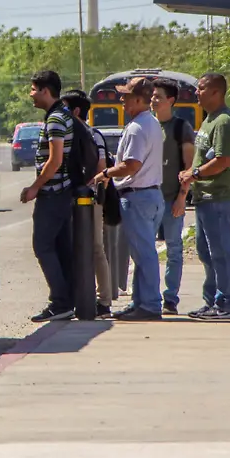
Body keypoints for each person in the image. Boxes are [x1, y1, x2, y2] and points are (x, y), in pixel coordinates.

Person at [92, 76, 165, 321]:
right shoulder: (151, 122)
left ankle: (151, 305)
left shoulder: (136, 127)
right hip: (151, 194)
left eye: (125, 97)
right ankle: (140, 302)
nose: (121, 101)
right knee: (142, 252)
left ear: (137, 99)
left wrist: (105, 173)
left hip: (137, 196)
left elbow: (131, 165)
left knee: (144, 254)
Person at [179, 73, 230, 320]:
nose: (197, 92)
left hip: (220, 197)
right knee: (206, 253)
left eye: (202, 88)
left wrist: (193, 174)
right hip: (205, 198)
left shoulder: (224, 122)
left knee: (221, 251)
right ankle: (212, 301)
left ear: (217, 92)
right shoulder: (209, 121)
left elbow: (223, 160)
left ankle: (226, 303)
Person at [21, 70, 76, 323]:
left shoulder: (55, 119)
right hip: (63, 193)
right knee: (61, 247)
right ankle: (68, 300)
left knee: (42, 246)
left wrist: (35, 187)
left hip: (53, 193)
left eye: (33, 89)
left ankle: (60, 302)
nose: (31, 94)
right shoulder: (63, 115)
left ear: (45, 90)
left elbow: (55, 161)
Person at [62, 89, 114, 317]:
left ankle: (103, 301)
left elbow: (102, 165)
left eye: (64, 108)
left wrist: (88, 189)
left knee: (95, 248)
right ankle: (80, 297)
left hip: (90, 199)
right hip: (72, 198)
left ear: (75, 111)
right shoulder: (68, 134)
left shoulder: (93, 135)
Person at [150, 77, 195, 315]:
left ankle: (170, 299)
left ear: (171, 100)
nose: (153, 100)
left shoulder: (181, 128)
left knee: (174, 248)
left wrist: (182, 198)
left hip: (171, 199)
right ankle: (148, 297)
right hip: (149, 200)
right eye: (152, 96)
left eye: (158, 96)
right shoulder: (148, 125)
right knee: (146, 250)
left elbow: (188, 167)